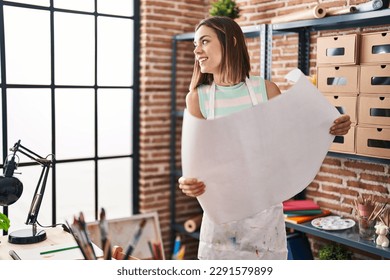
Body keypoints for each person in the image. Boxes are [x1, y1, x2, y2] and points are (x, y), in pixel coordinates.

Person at [178, 16, 351, 260]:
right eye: (195, 44)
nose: (196, 50)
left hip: (264, 214)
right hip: (222, 216)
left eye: (204, 41)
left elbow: (290, 143)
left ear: (232, 42)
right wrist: (188, 183)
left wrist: (331, 126)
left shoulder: (265, 90)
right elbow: (195, 165)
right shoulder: (197, 99)